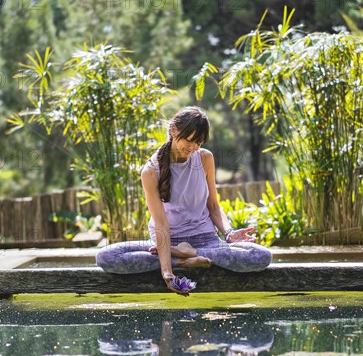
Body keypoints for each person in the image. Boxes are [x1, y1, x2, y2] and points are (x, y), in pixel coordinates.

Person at [96, 106, 271, 295]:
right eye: (189, 140)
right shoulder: (150, 171)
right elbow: (161, 223)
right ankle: (179, 257)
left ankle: (192, 254)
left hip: (206, 240)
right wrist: (167, 271)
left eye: (199, 142)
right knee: (106, 257)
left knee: (261, 256)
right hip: (164, 245)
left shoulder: (204, 158)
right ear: (173, 131)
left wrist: (228, 234)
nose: (194, 147)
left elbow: (213, 205)